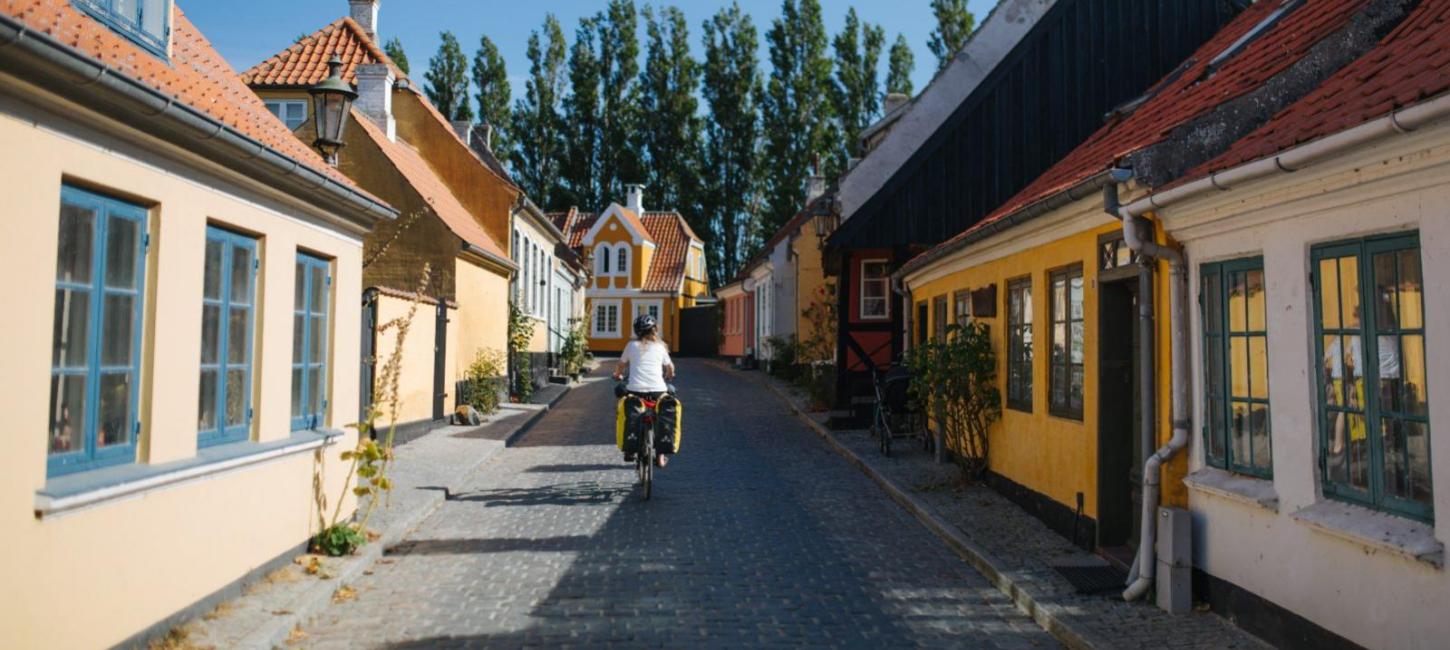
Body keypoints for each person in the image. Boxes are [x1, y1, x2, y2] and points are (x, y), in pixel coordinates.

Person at [613, 314, 676, 467]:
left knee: (624, 400)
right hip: (658, 391)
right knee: (664, 408)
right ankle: (661, 455)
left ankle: (630, 449)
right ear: (655, 330)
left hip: (635, 391)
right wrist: (670, 375)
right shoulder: (661, 347)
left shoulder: (631, 346)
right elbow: (670, 368)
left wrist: (617, 374)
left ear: (637, 331)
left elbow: (621, 365)